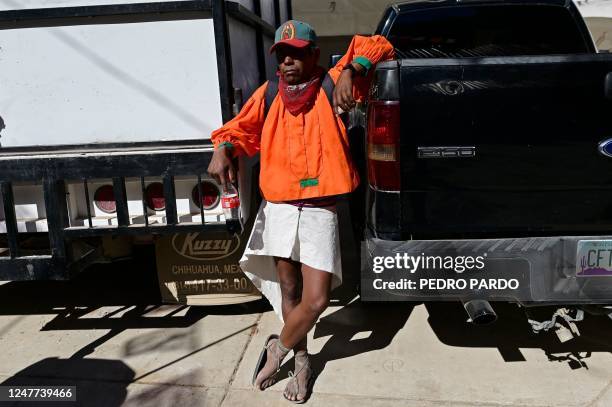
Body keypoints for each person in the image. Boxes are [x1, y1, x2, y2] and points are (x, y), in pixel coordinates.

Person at [207, 20, 394, 403]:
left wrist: (354, 69)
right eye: (282, 54)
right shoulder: (271, 93)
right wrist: (222, 147)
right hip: (278, 207)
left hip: (319, 210)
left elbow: (382, 44)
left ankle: (279, 347)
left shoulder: (334, 83)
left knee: (317, 299)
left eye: (297, 52)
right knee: (289, 290)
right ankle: (304, 360)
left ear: (314, 55)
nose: (289, 61)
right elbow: (239, 129)